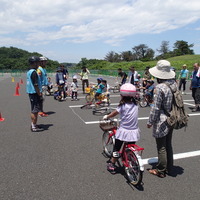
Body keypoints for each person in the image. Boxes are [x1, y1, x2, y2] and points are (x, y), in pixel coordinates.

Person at [147, 60, 177, 178]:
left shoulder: (160, 87)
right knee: (168, 143)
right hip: (172, 117)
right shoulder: (173, 84)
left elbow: (156, 108)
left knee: (161, 146)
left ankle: (160, 170)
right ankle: (169, 167)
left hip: (162, 119)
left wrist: (150, 122)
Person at [103, 83, 140, 174]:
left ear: (122, 95)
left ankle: (112, 163)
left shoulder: (122, 106)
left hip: (124, 131)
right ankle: (131, 161)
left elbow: (114, 114)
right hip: (134, 131)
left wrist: (107, 116)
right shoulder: (135, 105)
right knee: (130, 147)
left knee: (117, 148)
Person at [26, 56, 44, 132]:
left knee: (35, 109)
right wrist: (39, 93)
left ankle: (34, 124)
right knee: (35, 110)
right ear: (34, 63)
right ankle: (33, 126)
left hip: (32, 93)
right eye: (37, 63)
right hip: (34, 93)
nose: (38, 64)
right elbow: (35, 84)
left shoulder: (29, 71)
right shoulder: (33, 72)